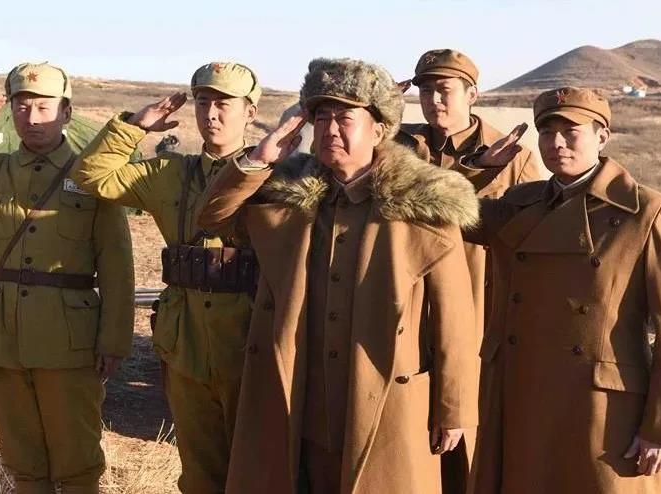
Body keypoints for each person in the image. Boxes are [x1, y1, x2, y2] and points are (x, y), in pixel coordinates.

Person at [197, 57, 480, 494]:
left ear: (379, 130)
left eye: (345, 118)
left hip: (384, 404)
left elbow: (455, 320)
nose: (330, 129)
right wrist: (260, 158)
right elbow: (213, 217)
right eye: (321, 117)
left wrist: (453, 408)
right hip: (299, 404)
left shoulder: (426, 205)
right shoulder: (285, 196)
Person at [466, 87, 661, 494]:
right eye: (546, 132)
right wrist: (479, 168)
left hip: (603, 412)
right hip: (521, 394)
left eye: (570, 131)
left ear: (601, 136)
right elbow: (442, 212)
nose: (556, 143)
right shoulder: (519, 205)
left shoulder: (646, 212)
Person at [0, 62, 135, 494]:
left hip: (69, 341)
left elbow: (116, 265)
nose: (32, 118)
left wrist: (114, 341)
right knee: (23, 463)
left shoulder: (90, 175)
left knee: (77, 464)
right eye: (22, 107)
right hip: (3, 339)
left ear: (66, 112)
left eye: (44, 107)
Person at [73, 62, 261, 493]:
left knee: (257, 468)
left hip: (250, 338)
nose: (211, 113)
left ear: (250, 111)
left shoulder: (275, 174)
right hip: (187, 339)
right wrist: (134, 128)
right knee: (199, 471)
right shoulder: (169, 174)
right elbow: (91, 175)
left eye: (224, 103)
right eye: (203, 102)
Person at [397, 48, 544, 492]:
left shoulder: (512, 156)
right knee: (408, 432)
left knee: (470, 430)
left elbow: (533, 238)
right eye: (425, 91)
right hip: (407, 304)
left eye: (444, 90)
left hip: (480, 308)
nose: (433, 100)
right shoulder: (400, 148)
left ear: (472, 94)